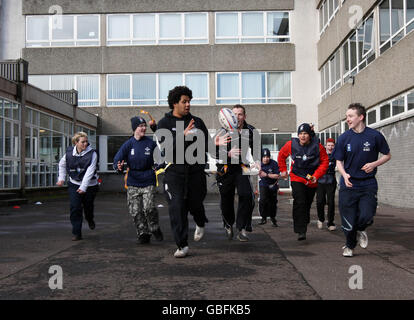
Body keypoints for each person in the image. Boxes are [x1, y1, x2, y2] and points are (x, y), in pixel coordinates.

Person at [156, 86, 229, 258]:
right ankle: (182, 245)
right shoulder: (163, 124)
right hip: (174, 173)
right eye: (184, 101)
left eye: (189, 101)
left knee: (195, 204)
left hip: (196, 172)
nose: (188, 105)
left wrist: (214, 144)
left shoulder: (198, 121)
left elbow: (208, 148)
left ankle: (200, 220)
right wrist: (182, 135)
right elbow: (166, 150)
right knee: (177, 207)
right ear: (175, 103)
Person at [333, 103, 391, 257]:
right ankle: (349, 246)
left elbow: (387, 155)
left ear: (361, 117)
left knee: (367, 214)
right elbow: (339, 162)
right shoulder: (344, 138)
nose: (347, 119)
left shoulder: (374, 136)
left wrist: (374, 164)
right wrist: (344, 175)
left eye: (350, 116)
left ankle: (361, 229)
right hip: (349, 183)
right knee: (348, 219)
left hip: (368, 183)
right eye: (346, 116)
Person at [113, 116, 163, 244]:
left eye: (145, 126)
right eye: (141, 126)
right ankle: (143, 232)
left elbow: (160, 158)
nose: (144, 128)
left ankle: (154, 227)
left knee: (149, 208)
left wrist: (158, 165)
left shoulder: (150, 143)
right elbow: (117, 159)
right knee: (135, 210)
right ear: (135, 128)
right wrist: (118, 166)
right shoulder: (128, 144)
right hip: (133, 181)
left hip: (148, 179)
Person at [216, 104, 260, 242]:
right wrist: (227, 154)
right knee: (226, 198)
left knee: (247, 196)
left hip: (242, 167)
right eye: (234, 114)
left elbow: (257, 147)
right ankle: (228, 223)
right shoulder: (222, 131)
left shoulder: (251, 130)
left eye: (240, 114)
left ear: (244, 116)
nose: (237, 117)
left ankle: (241, 228)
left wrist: (257, 160)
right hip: (225, 169)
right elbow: (213, 151)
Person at [278, 123, 329, 241]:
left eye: (305, 133)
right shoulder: (291, 144)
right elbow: (281, 156)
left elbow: (325, 161)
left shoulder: (318, 147)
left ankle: (304, 221)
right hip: (297, 177)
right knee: (300, 201)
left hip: (312, 180)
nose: (302, 136)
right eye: (300, 134)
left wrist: (316, 176)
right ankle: (301, 230)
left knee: (307, 203)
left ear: (309, 135)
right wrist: (283, 170)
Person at [56, 132, 99, 241]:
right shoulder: (69, 153)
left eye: (86, 141)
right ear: (76, 143)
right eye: (83, 142)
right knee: (75, 208)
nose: (85, 144)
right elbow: (62, 165)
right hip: (74, 184)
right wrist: (61, 178)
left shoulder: (92, 154)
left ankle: (90, 219)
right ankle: (77, 233)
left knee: (88, 207)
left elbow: (90, 171)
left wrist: (83, 187)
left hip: (90, 186)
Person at [316, 138, 337, 231]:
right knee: (320, 201)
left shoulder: (336, 155)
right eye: (329, 145)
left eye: (332, 145)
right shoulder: (320, 155)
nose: (330, 147)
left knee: (331, 202)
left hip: (331, 181)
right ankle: (320, 219)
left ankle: (330, 223)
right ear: (325, 146)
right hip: (320, 181)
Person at [258, 148, 280, 227]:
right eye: (264, 157)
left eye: (267, 157)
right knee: (263, 200)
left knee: (272, 203)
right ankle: (263, 217)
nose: (266, 159)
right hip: (263, 184)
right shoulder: (259, 164)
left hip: (273, 185)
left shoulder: (274, 163)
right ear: (261, 158)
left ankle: (273, 218)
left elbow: (277, 176)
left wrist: (267, 175)